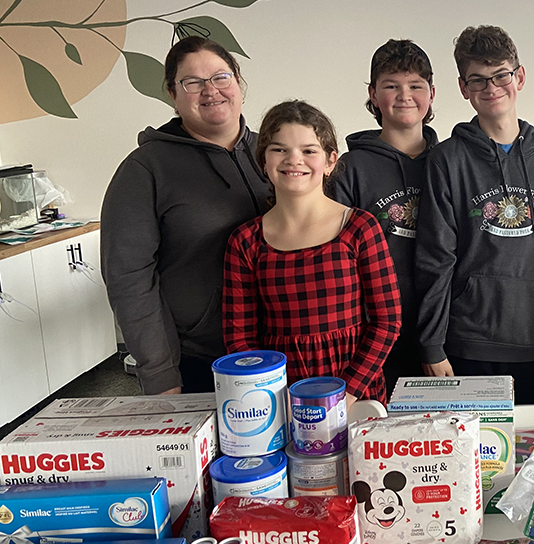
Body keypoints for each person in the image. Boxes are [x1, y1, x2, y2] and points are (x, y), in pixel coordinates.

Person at [415, 25, 534, 404]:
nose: (491, 88)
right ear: (463, 88)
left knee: (529, 458)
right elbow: (436, 258)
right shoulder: (447, 160)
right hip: (465, 345)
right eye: (478, 80)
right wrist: (431, 343)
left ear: (518, 76)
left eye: (501, 75)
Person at [102, 36, 272, 395]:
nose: (211, 91)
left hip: (286, 352)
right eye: (192, 82)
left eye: (221, 77)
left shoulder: (276, 153)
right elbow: (129, 279)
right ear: (172, 93)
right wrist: (160, 373)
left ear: (238, 82)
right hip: (199, 363)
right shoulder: (145, 170)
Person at [223, 100, 401, 405]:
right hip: (279, 400)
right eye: (279, 149)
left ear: (330, 160)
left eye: (308, 150)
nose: (294, 160)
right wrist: (264, 397)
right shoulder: (245, 241)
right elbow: (239, 338)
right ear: (262, 161)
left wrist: (345, 394)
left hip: (357, 396)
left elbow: (387, 321)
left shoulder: (359, 227)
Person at [329, 39, 438, 395]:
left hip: (441, 331)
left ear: (432, 93)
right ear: (374, 95)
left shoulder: (450, 162)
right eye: (391, 85)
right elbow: (336, 257)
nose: (404, 95)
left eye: (415, 86)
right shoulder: (350, 169)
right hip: (371, 335)